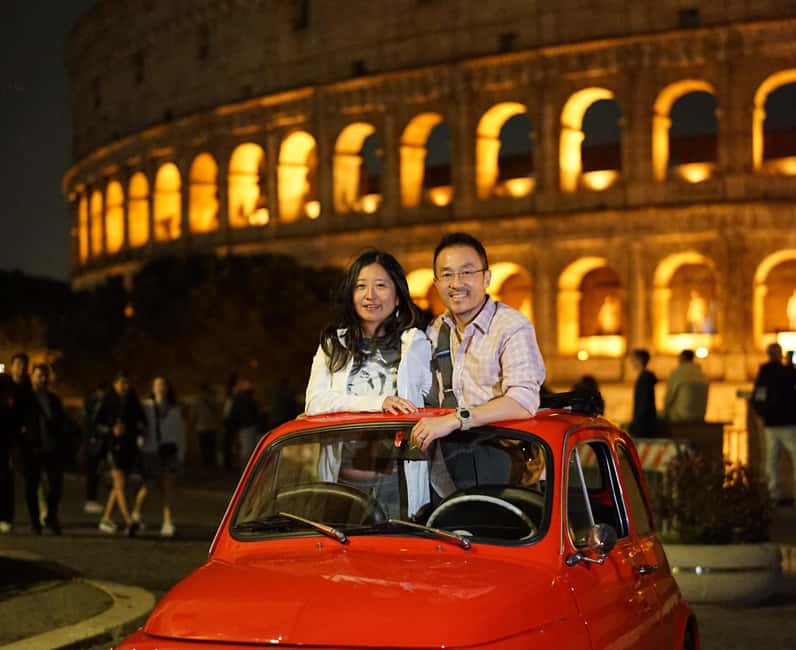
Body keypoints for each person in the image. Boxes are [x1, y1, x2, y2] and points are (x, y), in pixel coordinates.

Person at [409, 232, 545, 484]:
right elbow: (429, 395)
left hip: (503, 464)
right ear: (436, 283)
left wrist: (456, 420)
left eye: (466, 272)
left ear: (487, 278)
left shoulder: (511, 327)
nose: (456, 283)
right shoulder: (436, 330)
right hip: (448, 467)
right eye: (447, 275)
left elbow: (523, 400)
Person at [305, 249, 432, 515]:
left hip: (397, 483)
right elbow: (315, 403)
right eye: (361, 286)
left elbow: (430, 403)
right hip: (342, 482)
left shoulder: (415, 344)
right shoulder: (334, 343)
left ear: (398, 296)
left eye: (381, 286)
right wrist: (379, 403)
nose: (369, 295)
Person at [94, 371, 147, 535]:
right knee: (120, 483)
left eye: (126, 383)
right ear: (114, 384)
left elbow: (143, 422)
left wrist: (135, 430)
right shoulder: (107, 401)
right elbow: (96, 424)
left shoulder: (133, 402)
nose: (123, 386)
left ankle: (106, 518)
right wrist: (111, 430)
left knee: (119, 486)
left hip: (129, 447)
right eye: (120, 382)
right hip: (112, 447)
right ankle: (128, 521)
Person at [132, 377, 186, 537]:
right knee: (148, 485)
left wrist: (181, 454)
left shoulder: (175, 410)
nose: (160, 387)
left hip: (170, 452)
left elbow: (180, 433)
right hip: (151, 451)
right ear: (153, 388)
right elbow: (139, 427)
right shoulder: (146, 407)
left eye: (163, 384)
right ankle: (136, 513)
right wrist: (140, 445)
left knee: (169, 486)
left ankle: (167, 522)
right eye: (157, 384)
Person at [18, 364, 66, 535]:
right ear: (32, 377)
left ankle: (51, 516)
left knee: (55, 485)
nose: (43, 379)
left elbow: (61, 423)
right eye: (39, 376)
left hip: (51, 448)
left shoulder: (53, 399)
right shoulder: (25, 399)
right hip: (32, 448)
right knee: (32, 486)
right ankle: (34, 521)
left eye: (45, 376)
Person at [752, 343, 796, 506]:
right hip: (788, 421)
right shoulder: (786, 371)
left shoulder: (764, 372)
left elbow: (758, 395)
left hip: (771, 422)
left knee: (771, 459)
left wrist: (761, 414)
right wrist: (790, 365)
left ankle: (773, 493)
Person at [0, 353, 33, 533]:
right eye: (18, 364)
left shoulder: (28, 388)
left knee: (9, 477)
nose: (21, 368)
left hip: (17, 439)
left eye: (23, 365)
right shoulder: (3, 383)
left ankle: (7, 517)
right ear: (12, 366)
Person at [82, 382, 109, 513]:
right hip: (93, 443)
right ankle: (91, 500)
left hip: (98, 442)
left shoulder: (97, 404)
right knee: (93, 472)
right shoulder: (92, 404)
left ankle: (94, 499)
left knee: (97, 472)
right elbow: (90, 423)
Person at [662, 350, 709, 423]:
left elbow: (669, 397)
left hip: (680, 416)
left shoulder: (677, 373)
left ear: (682, 358)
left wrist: (664, 412)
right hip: (699, 416)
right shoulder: (702, 375)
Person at [629, 349, 658, 438]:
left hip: (643, 425)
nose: (631, 362)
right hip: (646, 422)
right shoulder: (645, 378)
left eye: (633, 359)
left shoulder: (644, 379)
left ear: (640, 360)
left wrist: (636, 425)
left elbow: (643, 404)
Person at [193, 383, 221, 469]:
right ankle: (211, 464)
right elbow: (218, 413)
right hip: (211, 427)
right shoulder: (213, 400)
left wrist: (193, 424)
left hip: (202, 428)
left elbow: (193, 415)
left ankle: (206, 465)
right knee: (211, 448)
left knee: (204, 448)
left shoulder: (197, 402)